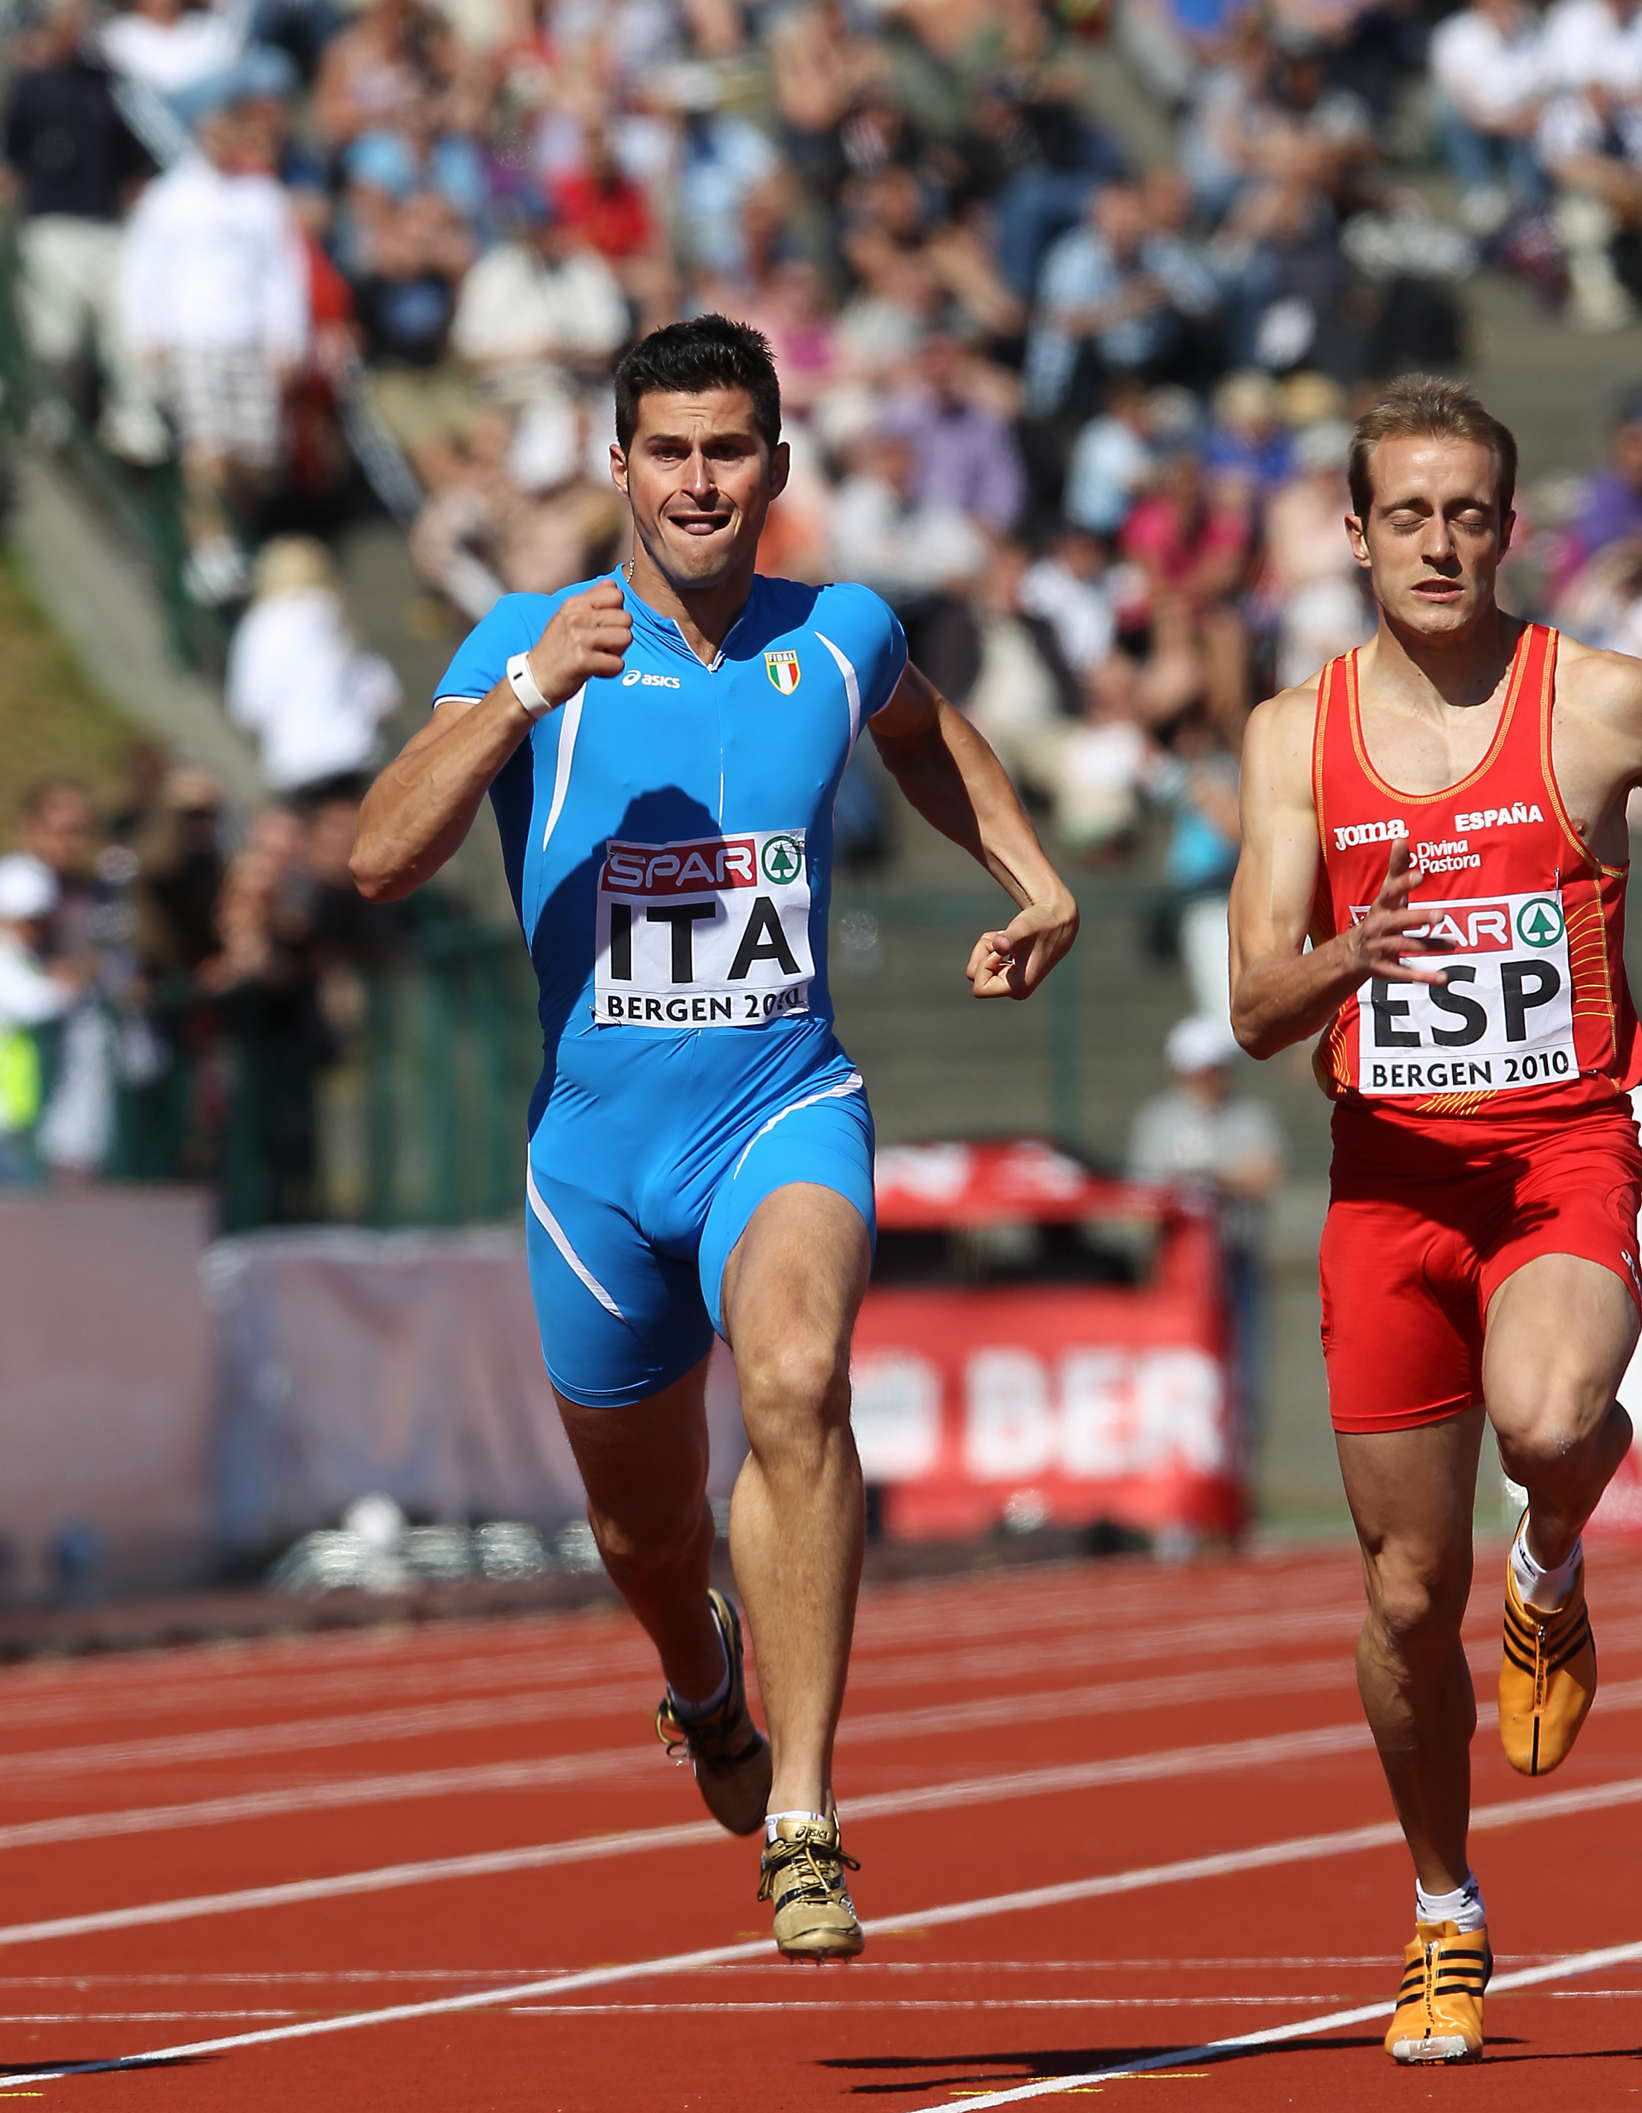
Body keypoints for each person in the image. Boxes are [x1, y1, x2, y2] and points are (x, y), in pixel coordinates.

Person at [350, 315, 1079, 1961]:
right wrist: (523, 692)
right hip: (594, 1170)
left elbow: (924, 731)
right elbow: (380, 858)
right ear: (617, 464)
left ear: (775, 465)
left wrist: (1032, 876)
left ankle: (805, 1820)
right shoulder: (533, 638)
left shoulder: (841, 630)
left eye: (727, 450)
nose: (698, 482)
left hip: (779, 1109)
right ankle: (702, 1679)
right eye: (668, 452)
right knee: (643, 1530)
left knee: (798, 1379)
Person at [1229, 374, 1642, 2065]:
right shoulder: (1291, 735)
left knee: (1547, 1419)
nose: (1438, 543)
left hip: (1559, 1154)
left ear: (1508, 528)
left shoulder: (1594, 701)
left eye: (1467, 513)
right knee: (1404, 1595)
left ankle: (1549, 1557)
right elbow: (1253, 1005)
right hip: (1387, 1185)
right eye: (1406, 513)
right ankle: (1443, 1909)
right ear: (1353, 532)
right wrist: (1352, 952)